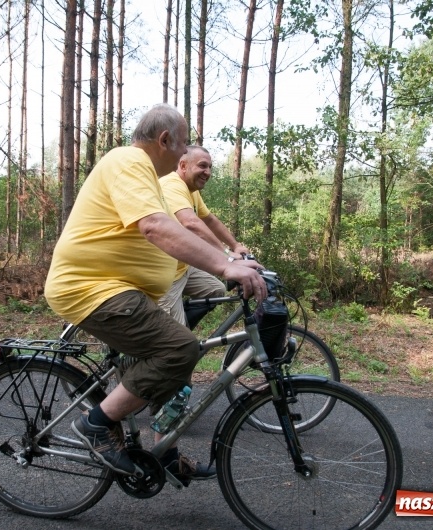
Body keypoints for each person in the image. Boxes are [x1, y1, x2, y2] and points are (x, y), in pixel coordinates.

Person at [44, 104, 267, 483]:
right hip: (92, 289)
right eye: (182, 146)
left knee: (169, 366)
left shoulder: (152, 178)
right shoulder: (127, 161)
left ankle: (165, 451)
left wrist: (227, 261)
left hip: (125, 290)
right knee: (179, 348)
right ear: (165, 140)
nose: (185, 155)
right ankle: (96, 424)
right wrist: (226, 264)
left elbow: (185, 228)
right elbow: (155, 227)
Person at [157, 145, 251, 327]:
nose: (207, 172)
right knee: (175, 346)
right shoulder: (172, 185)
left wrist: (236, 245)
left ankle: (176, 327)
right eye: (202, 166)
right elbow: (191, 223)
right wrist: (226, 256)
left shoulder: (190, 190)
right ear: (183, 166)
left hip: (181, 267)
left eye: (209, 167)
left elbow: (209, 219)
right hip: (165, 274)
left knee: (215, 290)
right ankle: (169, 338)